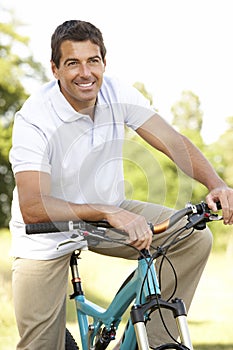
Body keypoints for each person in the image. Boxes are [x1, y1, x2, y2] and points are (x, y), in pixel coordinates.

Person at [9, 19, 233, 350]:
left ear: (103, 62)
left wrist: (217, 184)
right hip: (46, 235)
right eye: (73, 63)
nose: (85, 73)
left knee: (193, 237)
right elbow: (33, 207)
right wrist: (108, 210)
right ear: (55, 69)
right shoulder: (34, 118)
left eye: (93, 61)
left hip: (109, 213)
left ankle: (154, 342)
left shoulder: (117, 92)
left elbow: (173, 141)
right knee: (40, 346)